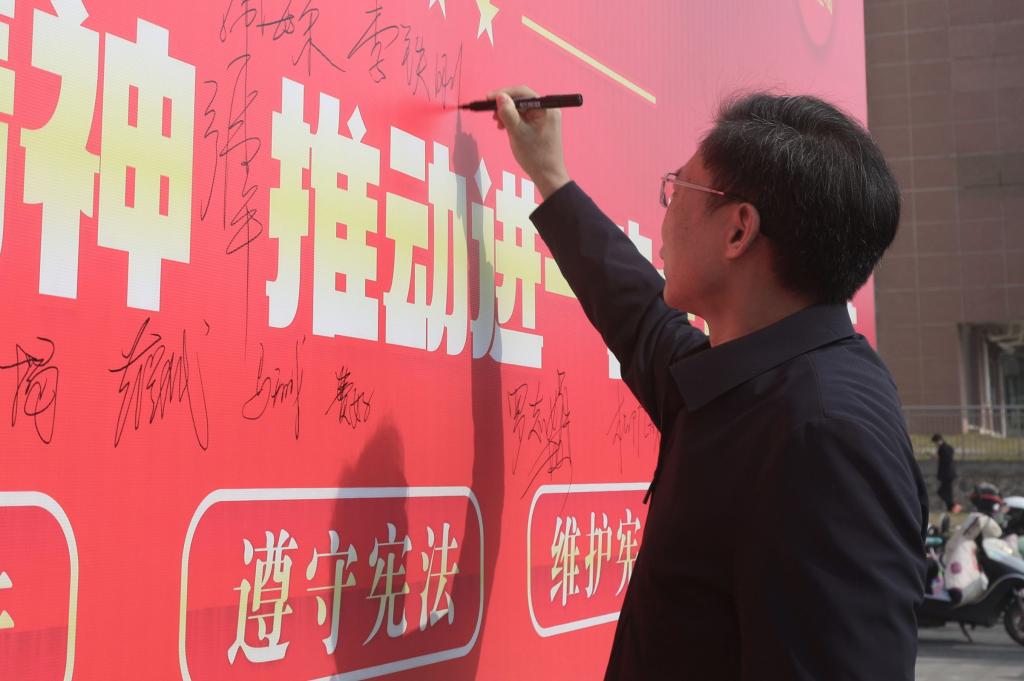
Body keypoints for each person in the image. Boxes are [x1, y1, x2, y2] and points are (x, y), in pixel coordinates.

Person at [488, 87, 929, 680]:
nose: (665, 212)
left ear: (739, 231)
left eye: (679, 190)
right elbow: (643, 320)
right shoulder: (762, 378)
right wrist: (551, 178)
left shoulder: (821, 438)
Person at [931, 433, 957, 511]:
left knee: (942, 492)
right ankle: (951, 507)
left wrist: (937, 457)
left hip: (946, 474)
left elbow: (944, 460)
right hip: (950, 473)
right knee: (947, 492)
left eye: (935, 442)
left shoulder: (942, 449)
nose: (935, 444)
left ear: (938, 440)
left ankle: (953, 506)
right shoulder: (949, 447)